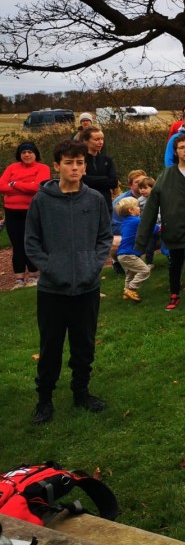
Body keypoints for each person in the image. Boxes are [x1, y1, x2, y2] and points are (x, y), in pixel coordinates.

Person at [26, 139, 112, 424]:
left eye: (79, 163)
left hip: (87, 287)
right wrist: (50, 268)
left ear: (85, 166)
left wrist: (93, 264)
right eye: (68, 163)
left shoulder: (95, 200)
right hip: (53, 289)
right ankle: (45, 400)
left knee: (84, 344)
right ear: (57, 166)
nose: (74, 168)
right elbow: (32, 242)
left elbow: (104, 238)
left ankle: (81, 392)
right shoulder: (42, 200)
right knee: (51, 345)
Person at [137, 133, 185, 310]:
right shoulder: (167, 175)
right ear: (176, 152)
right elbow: (151, 208)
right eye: (182, 147)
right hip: (174, 228)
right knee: (175, 262)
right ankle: (174, 294)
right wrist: (140, 242)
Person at [0, 141, 51, 287]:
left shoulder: (42, 168)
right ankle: (19, 279)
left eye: (30, 152)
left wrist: (15, 184)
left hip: (32, 211)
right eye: (23, 152)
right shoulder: (12, 167)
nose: (27, 155)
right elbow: (1, 185)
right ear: (19, 155)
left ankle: (34, 275)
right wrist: (26, 187)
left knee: (32, 242)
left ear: (35, 154)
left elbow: (38, 187)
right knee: (17, 245)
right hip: (12, 212)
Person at [115, 196, 153, 303]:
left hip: (122, 254)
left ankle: (126, 294)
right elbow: (149, 227)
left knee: (130, 274)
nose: (139, 208)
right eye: (137, 206)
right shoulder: (136, 220)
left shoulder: (125, 223)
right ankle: (131, 289)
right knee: (145, 271)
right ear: (130, 210)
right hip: (129, 254)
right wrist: (159, 228)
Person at [80, 126, 118, 212]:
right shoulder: (80, 160)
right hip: (86, 205)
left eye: (102, 139)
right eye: (96, 139)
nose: (100, 142)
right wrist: (105, 178)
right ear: (86, 141)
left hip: (105, 205)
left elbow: (114, 182)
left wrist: (90, 179)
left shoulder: (107, 160)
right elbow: (82, 181)